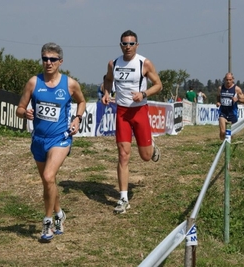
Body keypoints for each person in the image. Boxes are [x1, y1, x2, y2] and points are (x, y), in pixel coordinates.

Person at [16, 42, 86, 242]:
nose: (48, 63)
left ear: (60, 62)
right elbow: (19, 108)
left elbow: (81, 101)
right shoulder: (33, 82)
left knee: (48, 176)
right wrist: (25, 113)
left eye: (53, 59)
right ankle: (59, 214)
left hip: (60, 139)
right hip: (39, 140)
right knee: (48, 182)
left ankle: (47, 223)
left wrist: (77, 118)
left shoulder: (70, 84)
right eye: (45, 59)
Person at [102, 30, 162, 214]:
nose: (128, 47)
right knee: (123, 155)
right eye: (125, 44)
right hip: (122, 113)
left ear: (137, 45)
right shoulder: (114, 63)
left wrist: (143, 94)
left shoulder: (145, 63)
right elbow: (108, 79)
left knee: (145, 156)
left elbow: (158, 85)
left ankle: (152, 148)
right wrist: (106, 93)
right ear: (120, 45)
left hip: (140, 111)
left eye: (131, 43)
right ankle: (123, 198)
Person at [216, 72, 244, 140]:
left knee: (230, 133)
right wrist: (218, 102)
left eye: (230, 79)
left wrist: (237, 99)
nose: (228, 81)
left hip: (232, 113)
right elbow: (218, 96)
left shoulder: (236, 89)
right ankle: (222, 144)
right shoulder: (221, 88)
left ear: (233, 80)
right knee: (222, 131)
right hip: (223, 112)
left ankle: (228, 146)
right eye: (227, 80)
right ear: (224, 79)